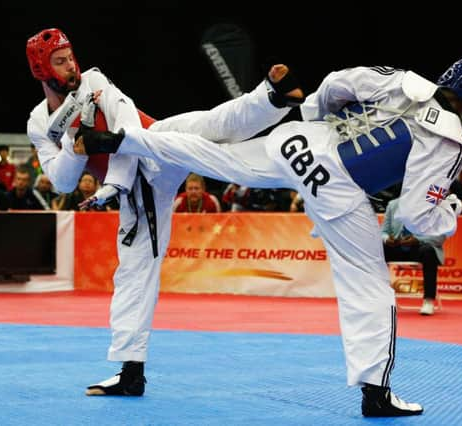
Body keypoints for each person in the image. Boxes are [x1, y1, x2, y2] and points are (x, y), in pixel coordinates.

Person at [79, 53, 462, 417]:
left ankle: (125, 141)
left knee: (221, 159)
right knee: (367, 285)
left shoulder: (405, 82)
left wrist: (318, 115)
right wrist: (450, 211)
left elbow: (339, 82)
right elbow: (415, 216)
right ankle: (376, 393)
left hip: (302, 144)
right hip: (339, 189)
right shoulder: (449, 140)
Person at [26, 28, 302, 398]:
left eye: (70, 57)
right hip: (141, 192)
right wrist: (75, 150)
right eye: (60, 62)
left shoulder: (94, 81)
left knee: (205, 126)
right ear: (41, 69)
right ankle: (131, 372)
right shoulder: (39, 124)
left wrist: (113, 185)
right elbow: (60, 182)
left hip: (152, 146)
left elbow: (125, 125)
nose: (71, 66)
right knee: (135, 273)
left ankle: (271, 96)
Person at [381, 198, 445, 315]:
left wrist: (417, 240)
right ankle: (379, 298)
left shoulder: (431, 206)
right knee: (379, 249)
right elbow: (383, 232)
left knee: (429, 251)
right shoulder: (393, 204)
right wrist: (387, 239)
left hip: (419, 248)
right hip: (398, 246)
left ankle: (428, 301)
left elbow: (439, 237)